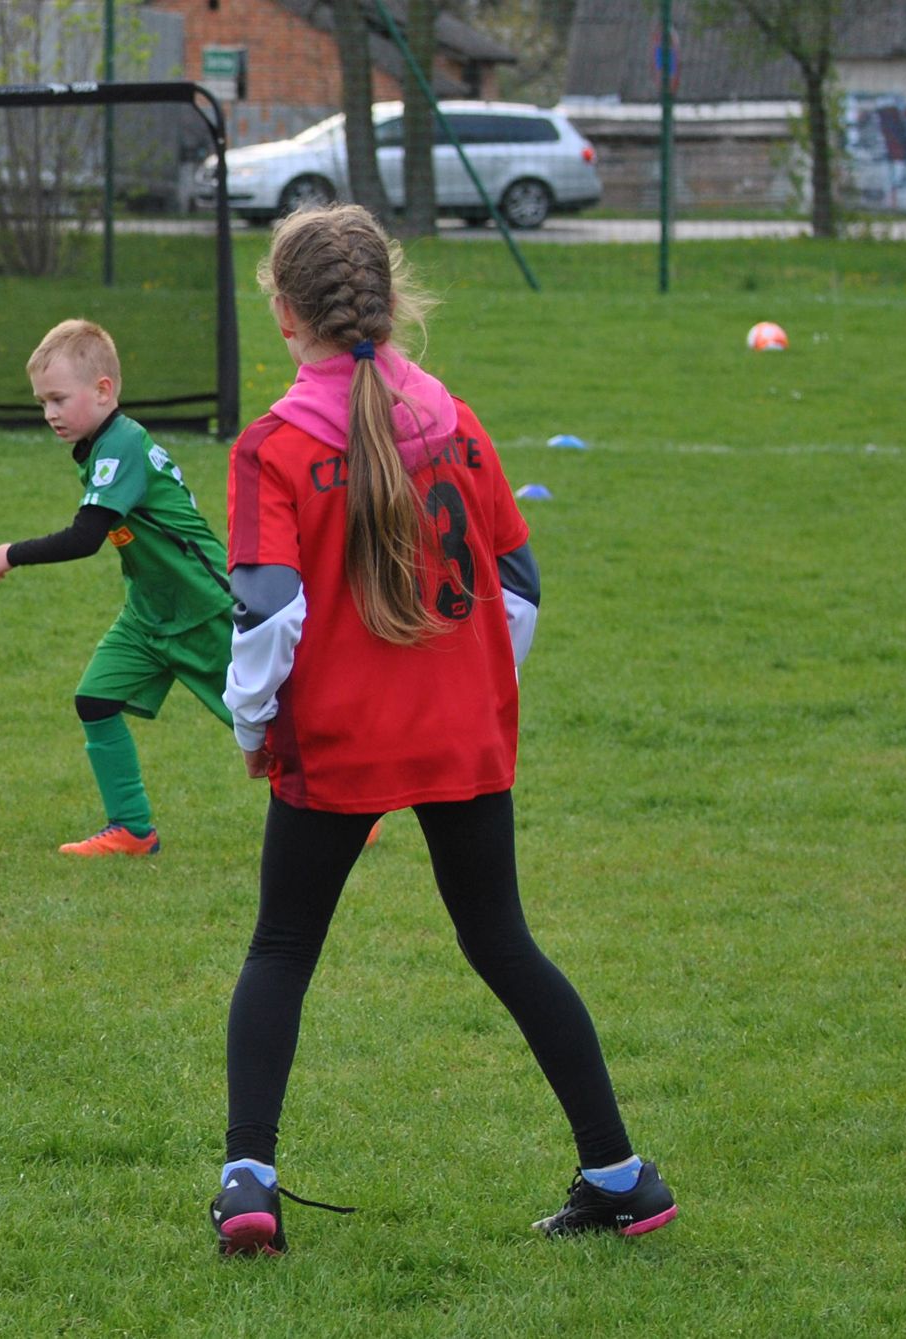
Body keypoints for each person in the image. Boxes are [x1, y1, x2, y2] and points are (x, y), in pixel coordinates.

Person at [212, 205, 675, 1254]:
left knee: (280, 946)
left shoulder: (271, 447)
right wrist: (469, 689)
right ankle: (620, 1174)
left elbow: (267, 608)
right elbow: (517, 584)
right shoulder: (453, 419)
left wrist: (250, 721)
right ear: (384, 298)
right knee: (500, 939)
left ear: (284, 317)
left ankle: (247, 1183)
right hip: (461, 735)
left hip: (338, 740)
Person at [0, 319, 236, 856]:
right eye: (41, 402)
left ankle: (345, 803)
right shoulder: (103, 445)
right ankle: (133, 830)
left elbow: (85, 538)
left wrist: (12, 553)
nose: (49, 413)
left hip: (201, 607)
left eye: (58, 399)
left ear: (104, 391)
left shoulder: (121, 445)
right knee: (95, 698)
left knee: (259, 721)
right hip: (149, 613)